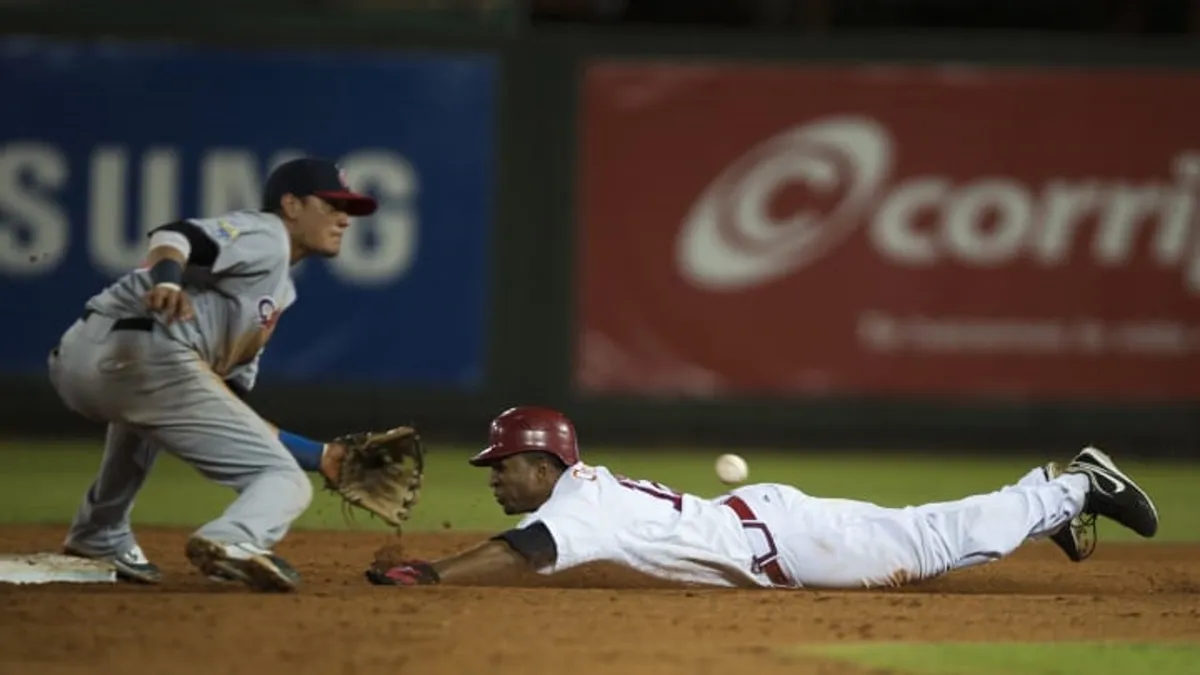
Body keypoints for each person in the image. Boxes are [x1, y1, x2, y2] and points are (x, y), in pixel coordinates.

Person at [364, 406, 1159, 590]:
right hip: (767, 522)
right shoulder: (581, 489)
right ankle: (1046, 495)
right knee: (928, 534)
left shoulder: (576, 505)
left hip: (786, 540)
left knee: (933, 544)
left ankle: (1073, 485)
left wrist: (430, 574)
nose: (494, 475)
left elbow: (522, 551)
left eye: (502, 462)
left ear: (543, 463)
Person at [50, 157, 377, 592]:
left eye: (349, 210)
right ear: (292, 205)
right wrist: (166, 281)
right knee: (283, 481)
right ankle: (235, 538)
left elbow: (226, 408)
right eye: (333, 205)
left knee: (148, 420)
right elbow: (174, 235)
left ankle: (99, 533)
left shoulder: (276, 291)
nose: (344, 219)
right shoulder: (268, 235)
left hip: (84, 358)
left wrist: (321, 456)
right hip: (147, 354)